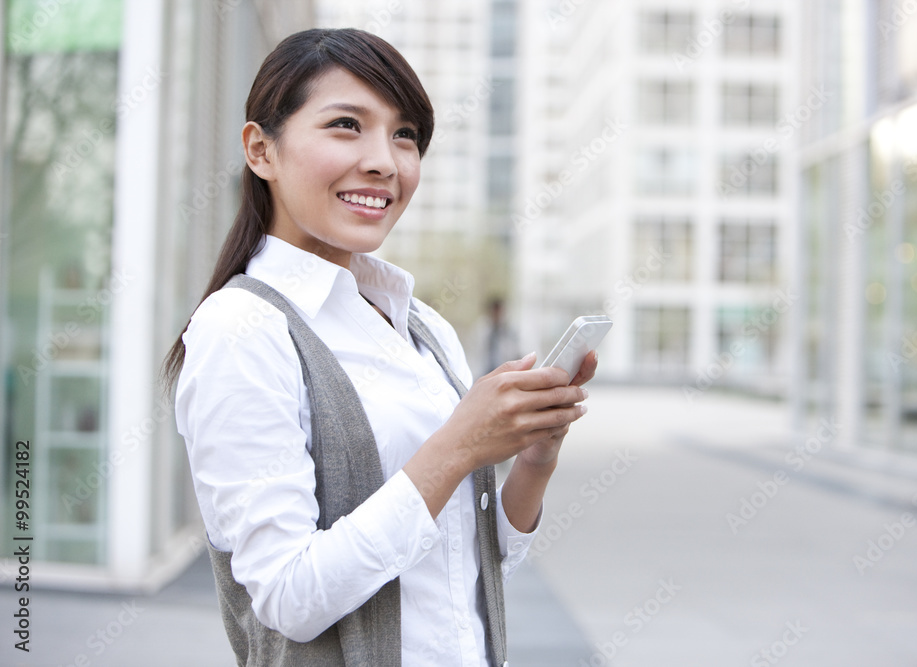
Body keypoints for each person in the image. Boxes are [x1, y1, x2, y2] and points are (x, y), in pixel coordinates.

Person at [160, 28, 596, 667]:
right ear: (260, 150)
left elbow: (473, 554)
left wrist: (532, 459)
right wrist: (457, 447)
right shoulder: (242, 330)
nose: (385, 162)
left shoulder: (422, 328)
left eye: (405, 135)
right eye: (345, 125)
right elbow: (287, 597)